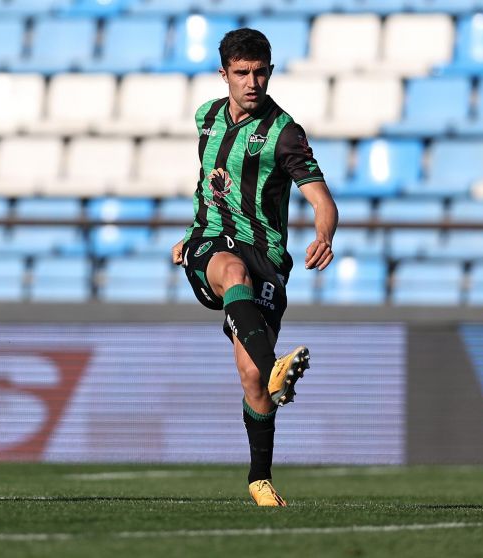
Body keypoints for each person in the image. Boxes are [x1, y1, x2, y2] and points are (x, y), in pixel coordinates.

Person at [172, 29, 338, 507]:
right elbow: (209, 184)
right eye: (241, 73)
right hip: (213, 247)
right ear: (224, 74)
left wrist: (323, 234)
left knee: (250, 378)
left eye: (260, 71)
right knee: (230, 271)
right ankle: (275, 366)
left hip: (266, 258)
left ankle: (260, 478)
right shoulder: (206, 117)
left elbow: (322, 200)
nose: (252, 81)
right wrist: (192, 232)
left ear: (270, 71)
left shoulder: (284, 133)